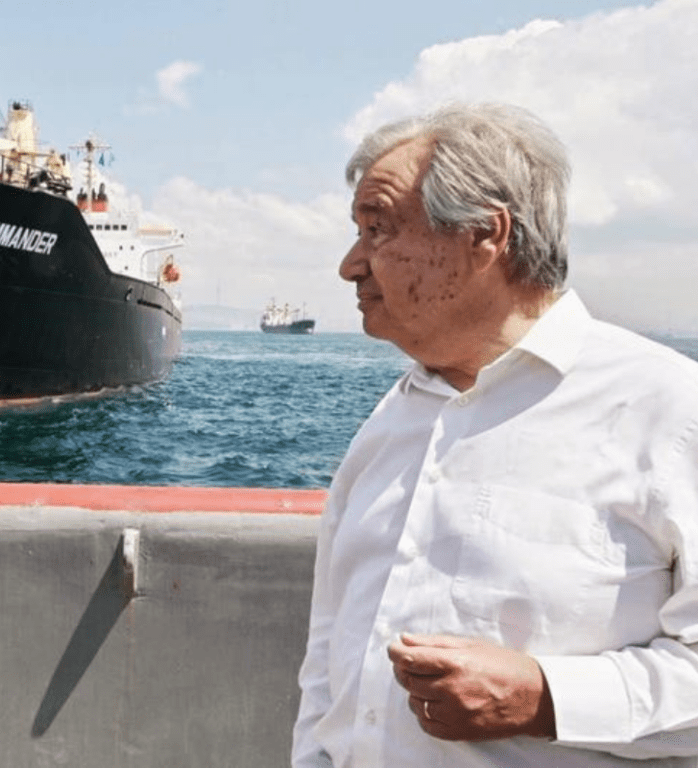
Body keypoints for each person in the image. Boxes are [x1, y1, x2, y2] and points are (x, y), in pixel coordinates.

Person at [292, 103, 698, 768]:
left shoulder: (672, 412)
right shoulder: (387, 425)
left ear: (484, 233)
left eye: (377, 230)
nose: (350, 265)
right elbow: (327, 664)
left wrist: (547, 698)